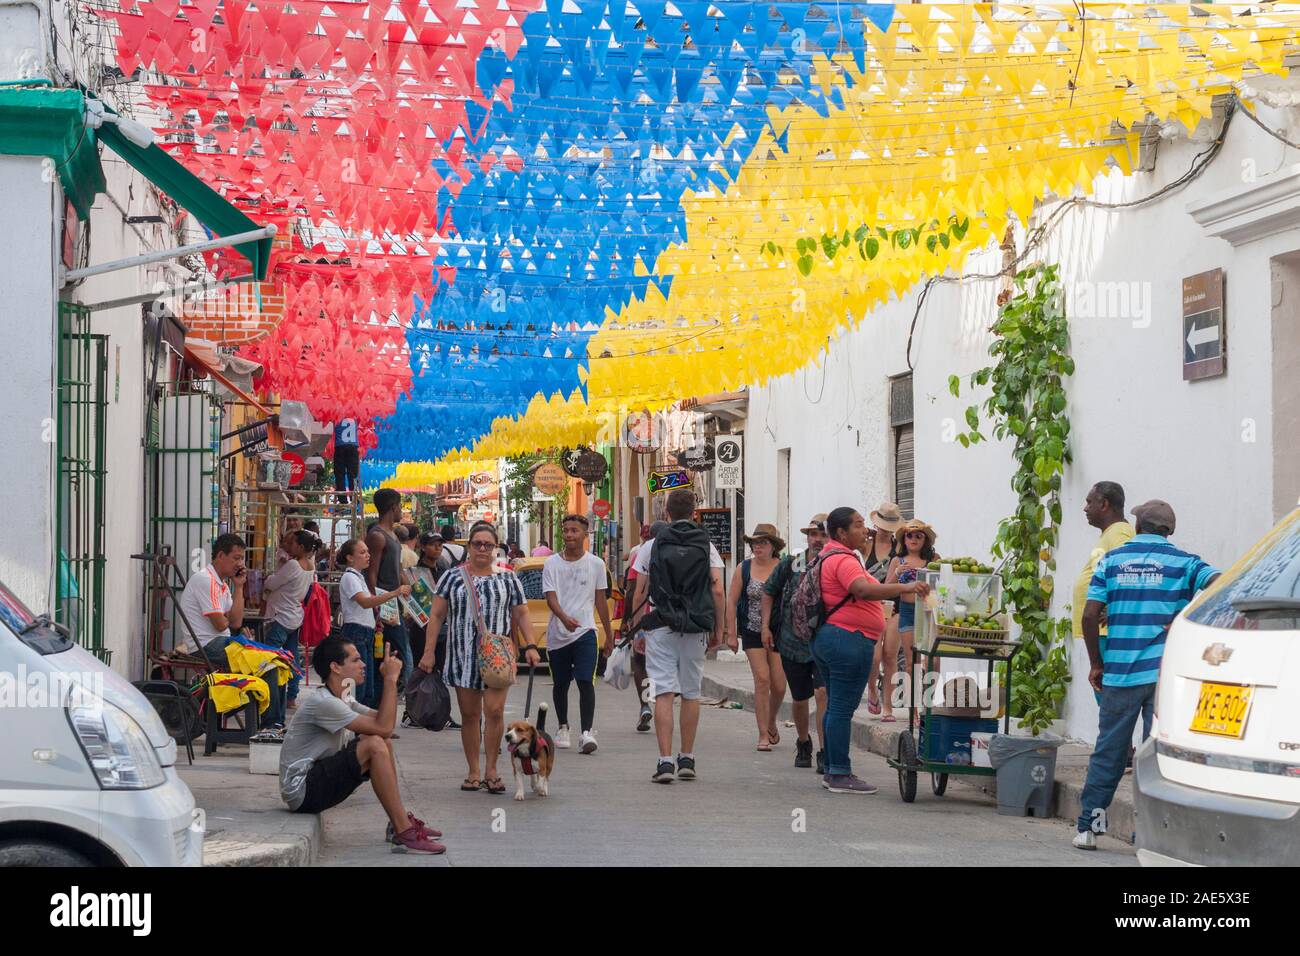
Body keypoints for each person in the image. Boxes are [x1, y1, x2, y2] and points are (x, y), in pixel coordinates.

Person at [1074, 500, 1219, 850]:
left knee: (1109, 750)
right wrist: (1187, 617)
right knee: (1158, 755)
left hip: (1121, 673)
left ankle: (1089, 828)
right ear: (1169, 531)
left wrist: (1096, 663)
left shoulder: (1112, 560)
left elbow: (1091, 615)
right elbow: (1222, 585)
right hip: (1166, 676)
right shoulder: (1186, 562)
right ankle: (1149, 834)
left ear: (1138, 525)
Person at [279, 636, 444, 854]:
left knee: (381, 741)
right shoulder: (324, 702)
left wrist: (392, 691)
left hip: (316, 778)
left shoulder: (342, 696)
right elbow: (384, 726)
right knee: (375, 744)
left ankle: (399, 822)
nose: (364, 664)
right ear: (335, 667)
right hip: (301, 791)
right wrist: (390, 680)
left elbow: (382, 720)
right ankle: (404, 830)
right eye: (355, 660)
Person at [417, 522, 541, 794]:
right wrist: (428, 652)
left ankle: (492, 769)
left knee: (494, 713)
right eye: (477, 544)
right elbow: (436, 615)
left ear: (496, 548)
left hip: (496, 656)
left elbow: (521, 613)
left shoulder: (508, 578)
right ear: (469, 547)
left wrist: (531, 644)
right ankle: (474, 770)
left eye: (488, 544)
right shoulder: (452, 577)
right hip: (462, 655)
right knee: (470, 715)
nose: (482, 549)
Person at [814, 508, 929, 794]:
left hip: (832, 637)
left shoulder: (831, 555)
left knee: (835, 706)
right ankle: (839, 772)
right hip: (847, 639)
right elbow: (863, 590)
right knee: (841, 708)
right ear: (841, 532)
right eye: (858, 525)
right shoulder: (843, 559)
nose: (864, 530)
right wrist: (906, 587)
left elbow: (868, 586)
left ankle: (832, 768)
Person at [629, 489, 727, 784]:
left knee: (663, 692)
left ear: (666, 513)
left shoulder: (652, 545)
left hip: (661, 624)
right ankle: (687, 757)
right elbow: (717, 589)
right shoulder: (706, 544)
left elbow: (640, 591)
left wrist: (637, 627)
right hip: (696, 626)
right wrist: (719, 629)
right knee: (691, 691)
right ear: (694, 512)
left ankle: (665, 761)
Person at [542, 514, 616, 754]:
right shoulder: (552, 563)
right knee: (561, 683)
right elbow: (550, 597)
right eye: (566, 530)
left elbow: (601, 601)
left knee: (586, 680)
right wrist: (563, 618)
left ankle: (587, 733)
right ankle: (563, 726)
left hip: (585, 631)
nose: (569, 535)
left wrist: (608, 632)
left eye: (574, 530)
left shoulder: (596, 564)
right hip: (558, 635)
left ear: (585, 535)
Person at [763, 514, 830, 772]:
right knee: (800, 698)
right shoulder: (792, 563)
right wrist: (765, 627)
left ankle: (825, 751)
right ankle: (804, 742)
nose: (818, 540)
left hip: (824, 643)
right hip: (792, 641)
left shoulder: (835, 563)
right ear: (807, 537)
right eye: (814, 535)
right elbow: (769, 592)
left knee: (823, 693)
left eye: (823, 535)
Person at [1073, 481, 1136, 706]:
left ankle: (1116, 742)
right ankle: (1117, 742)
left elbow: (1128, 566)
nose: (1085, 508)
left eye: (1090, 502)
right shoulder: (1112, 533)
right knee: (1106, 696)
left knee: (1109, 697)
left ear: (1105, 504)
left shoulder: (1120, 532)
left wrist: (1114, 607)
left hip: (1106, 629)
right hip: (1100, 630)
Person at [728, 523, 787, 751]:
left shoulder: (783, 568)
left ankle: (772, 719)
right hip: (752, 631)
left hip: (778, 632)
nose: (758, 546)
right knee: (762, 680)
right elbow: (732, 601)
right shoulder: (744, 568)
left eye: (763, 542)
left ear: (773, 546)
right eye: (755, 543)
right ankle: (763, 734)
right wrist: (731, 633)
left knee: (780, 686)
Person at [337, 538, 410, 708]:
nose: (367, 556)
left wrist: (381, 618)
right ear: (349, 557)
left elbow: (368, 605)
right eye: (362, 552)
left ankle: (365, 727)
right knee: (358, 685)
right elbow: (365, 602)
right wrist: (395, 593)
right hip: (356, 632)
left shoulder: (359, 577)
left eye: (367, 552)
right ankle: (354, 724)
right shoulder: (349, 578)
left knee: (367, 684)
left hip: (366, 632)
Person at [882, 518, 939, 723]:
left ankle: (929, 707)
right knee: (910, 663)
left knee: (934, 661)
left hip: (928, 613)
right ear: (903, 539)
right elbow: (887, 588)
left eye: (919, 536)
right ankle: (913, 711)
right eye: (910, 535)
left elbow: (942, 587)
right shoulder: (898, 561)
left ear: (926, 540)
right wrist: (897, 573)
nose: (914, 539)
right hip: (906, 612)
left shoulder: (934, 559)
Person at [261, 529, 316, 728]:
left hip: (280, 618)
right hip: (294, 618)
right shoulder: (310, 565)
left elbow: (271, 583)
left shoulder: (293, 564)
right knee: (290, 662)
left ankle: (273, 714)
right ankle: (290, 697)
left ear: (301, 547)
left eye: (292, 543)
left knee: (272, 666)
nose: (288, 546)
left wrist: (268, 580)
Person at [623, 520, 668, 732]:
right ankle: (661, 704)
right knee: (661, 664)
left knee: (640, 662)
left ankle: (645, 705)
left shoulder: (641, 553)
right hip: (670, 617)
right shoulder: (678, 550)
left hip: (647, 615)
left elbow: (633, 590)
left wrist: (630, 620)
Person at [178, 533, 247, 668]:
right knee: (261, 662)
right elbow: (220, 625)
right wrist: (227, 618)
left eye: (242, 559)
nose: (240, 564)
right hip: (205, 646)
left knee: (268, 660)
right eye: (236, 558)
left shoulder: (222, 585)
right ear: (221, 556)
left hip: (219, 642)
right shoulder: (206, 580)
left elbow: (236, 623)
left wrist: (239, 587)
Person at [366, 489, 413, 691]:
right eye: (400, 506)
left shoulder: (392, 534)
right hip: (384, 602)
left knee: (398, 649)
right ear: (393, 507)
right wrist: (375, 607)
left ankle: (393, 691)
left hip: (396, 600)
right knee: (403, 652)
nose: (402, 510)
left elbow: (399, 569)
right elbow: (371, 573)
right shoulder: (377, 536)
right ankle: (402, 693)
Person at [863, 502, 902, 714]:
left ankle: (888, 706)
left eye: (889, 526)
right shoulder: (866, 545)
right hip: (870, 605)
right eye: (882, 525)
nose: (885, 530)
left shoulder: (900, 548)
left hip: (894, 606)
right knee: (874, 656)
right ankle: (872, 688)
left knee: (889, 656)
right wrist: (865, 533)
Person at [333, 417, 360, 497]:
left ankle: (342, 500)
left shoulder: (336, 416)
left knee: (339, 474)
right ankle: (354, 497)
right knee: (353, 474)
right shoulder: (355, 418)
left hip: (340, 446)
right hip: (353, 446)